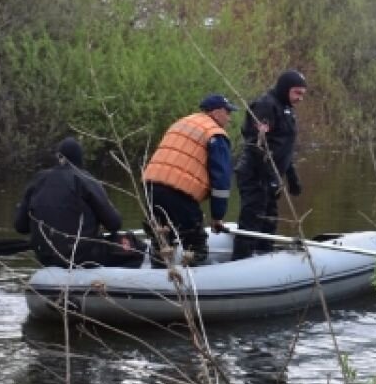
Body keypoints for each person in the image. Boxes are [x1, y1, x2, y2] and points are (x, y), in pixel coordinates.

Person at [14, 137, 142, 268]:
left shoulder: (37, 180)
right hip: (82, 256)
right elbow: (114, 224)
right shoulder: (86, 179)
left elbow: (20, 226)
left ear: (59, 158)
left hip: (45, 256)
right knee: (135, 248)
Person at [142, 93, 236, 265]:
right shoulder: (216, 134)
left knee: (162, 238)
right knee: (195, 242)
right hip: (179, 192)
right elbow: (221, 180)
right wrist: (217, 217)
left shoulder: (182, 123)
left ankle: (158, 273)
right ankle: (194, 282)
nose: (229, 118)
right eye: (227, 112)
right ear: (215, 113)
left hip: (151, 187)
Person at [232, 69, 307, 260]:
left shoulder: (287, 109)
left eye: (303, 94)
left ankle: (264, 255)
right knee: (253, 217)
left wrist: (292, 178)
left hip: (272, 176)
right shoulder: (266, 106)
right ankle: (241, 259)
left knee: (270, 219)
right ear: (285, 89)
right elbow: (257, 146)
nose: (300, 98)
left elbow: (283, 148)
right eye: (297, 93)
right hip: (254, 173)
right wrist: (271, 177)